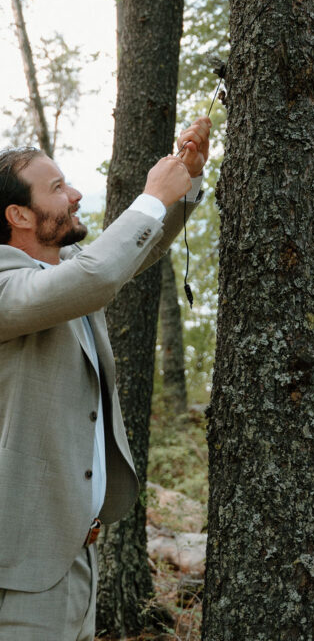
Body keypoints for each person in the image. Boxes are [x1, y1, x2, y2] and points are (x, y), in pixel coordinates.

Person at [0, 116, 211, 641]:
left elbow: (123, 259)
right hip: (20, 572)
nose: (73, 194)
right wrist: (150, 197)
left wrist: (184, 183)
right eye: (56, 188)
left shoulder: (62, 267)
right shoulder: (6, 289)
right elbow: (98, 276)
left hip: (75, 554)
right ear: (19, 214)